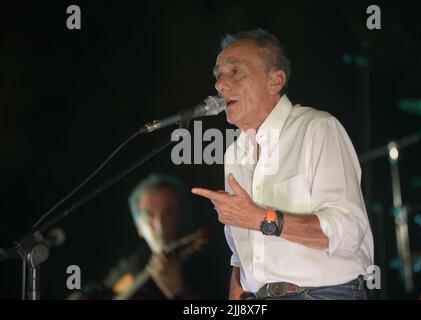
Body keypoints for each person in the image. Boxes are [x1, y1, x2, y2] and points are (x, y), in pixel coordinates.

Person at [191, 29, 374, 300]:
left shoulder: (317, 128)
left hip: (324, 294)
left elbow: (348, 232)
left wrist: (262, 219)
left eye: (235, 71)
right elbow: (242, 257)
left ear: (275, 80)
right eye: (218, 75)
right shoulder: (234, 154)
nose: (220, 85)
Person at [69, 173, 228, 300]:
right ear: (138, 226)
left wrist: (178, 292)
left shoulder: (208, 260)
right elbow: (104, 289)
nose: (159, 224)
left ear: (182, 215)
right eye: (149, 215)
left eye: (168, 212)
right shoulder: (137, 261)